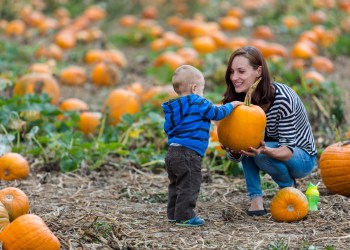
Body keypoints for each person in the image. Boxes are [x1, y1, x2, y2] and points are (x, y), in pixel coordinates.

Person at [222, 46, 317, 216]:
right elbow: (235, 156)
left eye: (241, 71)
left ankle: (289, 189)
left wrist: (264, 150)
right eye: (232, 72)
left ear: (258, 71)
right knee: (249, 147)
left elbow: (287, 151)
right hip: (266, 150)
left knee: (258, 151)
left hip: (301, 156)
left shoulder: (283, 98)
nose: (234, 77)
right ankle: (256, 200)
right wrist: (234, 151)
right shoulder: (238, 101)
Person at [162, 64, 241, 226]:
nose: (202, 93)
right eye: (202, 89)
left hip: (172, 153)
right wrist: (232, 105)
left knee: (176, 185)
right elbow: (217, 114)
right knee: (190, 184)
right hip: (189, 153)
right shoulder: (198, 102)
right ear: (194, 88)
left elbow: (166, 128)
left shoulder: (174, 108)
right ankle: (184, 216)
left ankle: (173, 213)